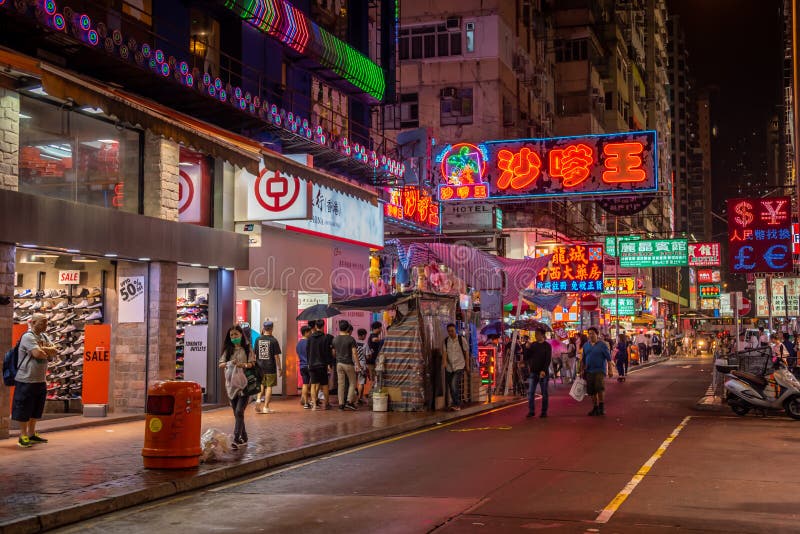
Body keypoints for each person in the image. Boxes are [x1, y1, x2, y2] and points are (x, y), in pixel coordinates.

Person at [12, 313, 58, 448]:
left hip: (40, 379)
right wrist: (45, 350)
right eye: (43, 322)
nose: (46, 325)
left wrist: (43, 349)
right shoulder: (27, 337)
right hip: (26, 379)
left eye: (46, 322)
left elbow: (55, 351)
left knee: (36, 409)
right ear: (33, 322)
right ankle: (22, 435)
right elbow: (37, 354)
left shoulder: (44, 336)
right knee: (24, 408)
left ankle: (32, 434)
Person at [218, 325, 256, 448]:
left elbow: (252, 363)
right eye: (231, 335)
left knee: (239, 411)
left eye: (236, 334)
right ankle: (244, 436)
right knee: (237, 413)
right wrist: (230, 363)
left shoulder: (247, 348)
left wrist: (243, 365)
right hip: (231, 385)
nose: (234, 337)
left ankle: (236, 438)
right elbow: (221, 364)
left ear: (241, 335)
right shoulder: (228, 350)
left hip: (244, 384)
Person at [582, 327, 613, 416]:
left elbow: (609, 359)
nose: (591, 335)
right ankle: (595, 407)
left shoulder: (602, 345)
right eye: (589, 333)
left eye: (592, 333)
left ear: (597, 334)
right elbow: (583, 359)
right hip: (589, 370)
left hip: (600, 370)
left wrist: (610, 370)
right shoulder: (586, 345)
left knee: (599, 388)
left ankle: (601, 407)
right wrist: (581, 370)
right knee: (591, 391)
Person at [523, 328, 552, 418]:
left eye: (537, 334)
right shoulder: (533, 345)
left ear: (542, 335)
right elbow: (527, 357)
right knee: (531, 392)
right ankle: (531, 411)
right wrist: (527, 348)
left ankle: (544, 411)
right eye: (535, 333)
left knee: (544, 393)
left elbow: (548, 359)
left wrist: (543, 370)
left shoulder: (547, 346)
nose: (536, 335)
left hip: (543, 373)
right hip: (533, 372)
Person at [254, 320, 282, 414]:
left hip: (260, 367)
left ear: (264, 328)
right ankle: (266, 407)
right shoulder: (273, 340)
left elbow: (254, 354)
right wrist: (280, 368)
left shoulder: (258, 339)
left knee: (261, 385)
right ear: (272, 328)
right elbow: (276, 357)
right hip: (270, 367)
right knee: (269, 387)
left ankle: (258, 399)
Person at [306, 320, 334, 410]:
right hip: (322, 364)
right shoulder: (326, 338)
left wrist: (309, 362)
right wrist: (329, 363)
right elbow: (327, 352)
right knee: (325, 385)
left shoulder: (310, 338)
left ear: (315, 326)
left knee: (313, 385)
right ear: (323, 326)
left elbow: (308, 351)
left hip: (312, 364)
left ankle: (314, 405)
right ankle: (326, 404)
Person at [332, 321, 360, 411]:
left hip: (338, 364)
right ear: (348, 328)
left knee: (341, 384)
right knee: (352, 382)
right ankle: (349, 401)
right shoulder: (350, 339)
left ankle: (341, 404)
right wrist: (358, 365)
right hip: (348, 363)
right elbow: (355, 353)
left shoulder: (335, 339)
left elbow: (333, 353)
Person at [444, 323, 468, 411]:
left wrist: (467, 366)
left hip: (460, 365)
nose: (450, 333)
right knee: (451, 386)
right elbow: (444, 353)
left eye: (452, 331)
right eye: (449, 331)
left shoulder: (462, 340)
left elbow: (466, 353)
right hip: (450, 367)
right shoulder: (446, 341)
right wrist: (444, 363)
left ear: (455, 330)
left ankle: (457, 404)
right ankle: (455, 403)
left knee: (454, 383)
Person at [297, 325, 312, 409]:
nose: (310, 333)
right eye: (309, 332)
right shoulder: (309, 343)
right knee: (313, 384)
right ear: (306, 332)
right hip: (310, 366)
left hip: (302, 366)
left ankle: (306, 403)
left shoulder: (298, 344)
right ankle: (313, 401)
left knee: (305, 384)